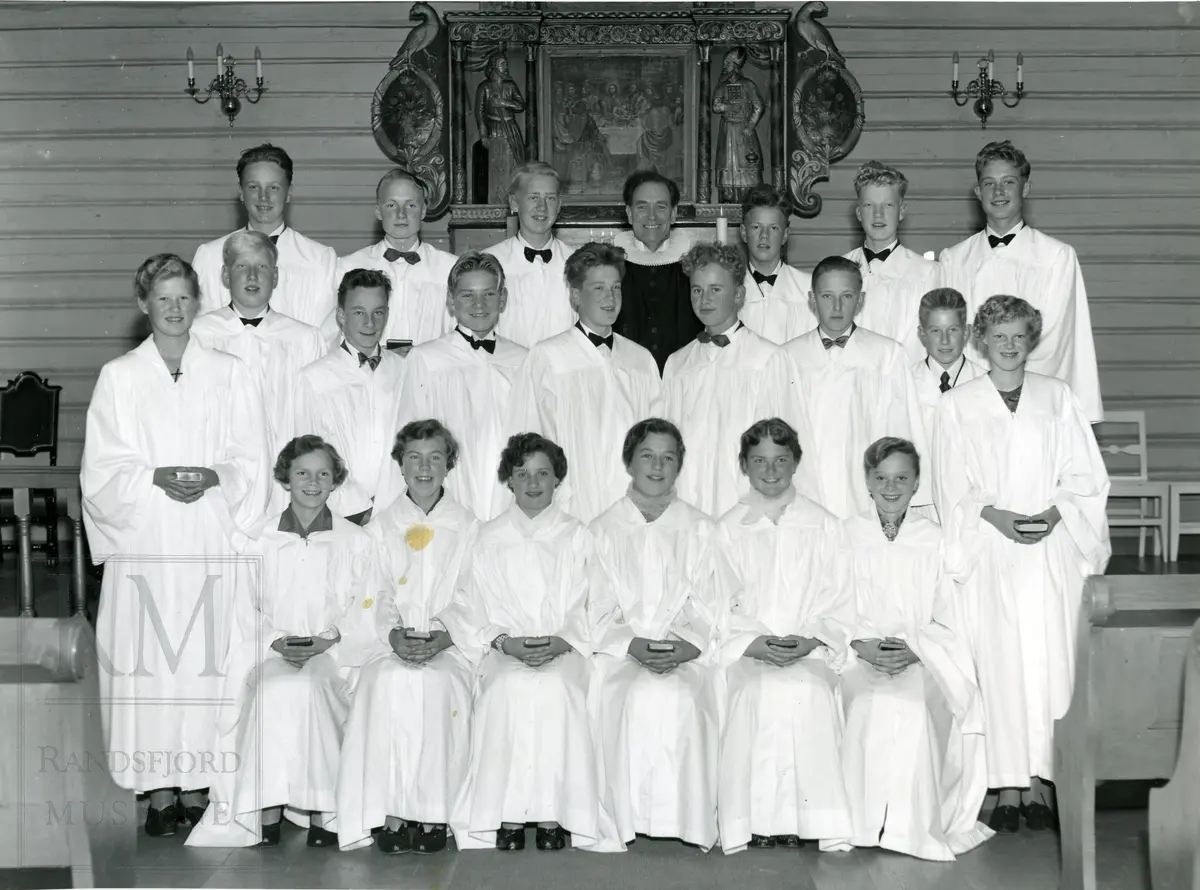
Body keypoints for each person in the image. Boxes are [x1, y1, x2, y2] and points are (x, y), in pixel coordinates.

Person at [80, 254, 270, 836]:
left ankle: (201, 784)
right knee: (153, 665)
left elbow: (251, 455)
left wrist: (217, 477)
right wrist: (152, 478)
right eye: (162, 299)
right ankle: (160, 792)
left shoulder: (230, 371)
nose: (174, 309)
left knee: (206, 660)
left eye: (184, 298)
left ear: (199, 301)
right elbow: (102, 468)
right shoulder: (120, 377)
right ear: (144, 305)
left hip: (210, 533)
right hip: (148, 539)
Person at [933, 295, 1110, 834]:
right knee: (1002, 665)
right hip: (992, 549)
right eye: (998, 336)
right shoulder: (958, 405)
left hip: (1050, 552)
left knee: (1048, 665)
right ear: (980, 341)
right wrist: (994, 516)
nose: (1008, 346)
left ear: (1031, 340)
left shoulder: (1058, 398)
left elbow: (1087, 478)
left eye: (1018, 336)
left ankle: (1043, 783)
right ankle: (1007, 786)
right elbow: (949, 484)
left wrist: (1058, 514)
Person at [187, 436, 385, 848]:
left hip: (332, 654)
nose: (312, 483)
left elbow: (364, 605)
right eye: (302, 473)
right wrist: (275, 640)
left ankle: (325, 809)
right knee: (275, 688)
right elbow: (244, 604)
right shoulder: (260, 538)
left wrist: (328, 639)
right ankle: (266, 804)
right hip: (269, 650)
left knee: (312, 687)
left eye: (323, 474)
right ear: (285, 478)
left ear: (335, 482)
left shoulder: (355, 540)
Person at [443, 433, 607, 852]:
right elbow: (467, 601)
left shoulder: (577, 535)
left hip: (563, 647)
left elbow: (593, 599)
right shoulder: (487, 536)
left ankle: (554, 815)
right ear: (509, 480)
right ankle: (508, 814)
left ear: (558, 480)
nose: (533, 483)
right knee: (505, 689)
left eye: (542, 473)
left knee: (558, 689)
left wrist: (562, 639)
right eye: (522, 474)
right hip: (506, 649)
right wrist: (501, 641)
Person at [839, 437, 993, 861]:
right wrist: (859, 643)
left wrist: (915, 650)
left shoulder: (935, 539)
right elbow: (831, 601)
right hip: (859, 653)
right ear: (867, 481)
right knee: (870, 702)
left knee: (910, 706)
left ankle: (910, 827)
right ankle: (862, 823)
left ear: (917, 482)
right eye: (882, 478)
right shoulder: (846, 535)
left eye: (902, 478)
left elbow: (949, 614)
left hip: (922, 655)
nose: (891, 488)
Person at [337, 420, 480, 855]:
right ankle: (392, 812)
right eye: (414, 457)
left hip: (447, 646)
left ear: (449, 464)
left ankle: (435, 813)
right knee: (387, 683)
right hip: (391, 646)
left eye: (435, 457)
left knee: (438, 685)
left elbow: (474, 591)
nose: (424, 466)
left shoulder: (469, 526)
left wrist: (444, 634)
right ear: (400, 464)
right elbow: (373, 593)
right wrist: (393, 633)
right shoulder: (380, 529)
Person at [714, 418, 854, 854]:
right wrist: (752, 642)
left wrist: (811, 639)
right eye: (759, 461)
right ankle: (756, 822)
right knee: (757, 692)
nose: (770, 471)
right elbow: (718, 601)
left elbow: (840, 596)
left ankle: (802, 819)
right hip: (748, 652)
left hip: (809, 653)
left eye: (780, 460)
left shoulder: (824, 524)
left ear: (796, 462)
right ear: (744, 465)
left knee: (806, 693)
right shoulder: (727, 527)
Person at [588, 419, 720, 852]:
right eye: (647, 455)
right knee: (629, 696)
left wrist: (686, 644)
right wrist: (631, 644)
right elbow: (595, 606)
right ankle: (625, 820)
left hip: (684, 652)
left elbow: (711, 600)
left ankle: (683, 820)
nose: (657, 466)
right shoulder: (603, 529)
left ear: (680, 464)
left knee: (679, 697)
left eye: (668, 457)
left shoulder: (700, 528)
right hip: (620, 652)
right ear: (629, 460)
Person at [938, 141, 1103, 422]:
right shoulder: (954, 260)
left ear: (1025, 188)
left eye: (1008, 182)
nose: (999, 192)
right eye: (989, 183)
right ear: (978, 193)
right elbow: (955, 335)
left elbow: (1057, 338)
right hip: (973, 403)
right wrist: (981, 389)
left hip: (1034, 404)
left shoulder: (1055, 257)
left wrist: (1013, 391)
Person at [509, 243, 660, 523]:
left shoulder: (640, 360)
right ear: (576, 296)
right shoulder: (548, 356)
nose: (610, 298)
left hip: (632, 511)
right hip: (571, 509)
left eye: (615, 288)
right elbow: (530, 439)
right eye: (599, 288)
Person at [658, 243, 800, 518]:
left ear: (738, 295)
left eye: (716, 289)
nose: (704, 299)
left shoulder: (767, 358)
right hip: (689, 505)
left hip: (746, 506)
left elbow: (784, 445)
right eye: (697, 290)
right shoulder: (678, 363)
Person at [191, 230, 326, 513]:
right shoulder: (199, 335)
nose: (252, 277)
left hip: (283, 481)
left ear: (275, 277)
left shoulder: (303, 338)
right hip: (221, 474)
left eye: (262, 267)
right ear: (225, 276)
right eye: (242, 267)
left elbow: (314, 418)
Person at [784, 255, 929, 519]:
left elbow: (901, 428)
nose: (837, 306)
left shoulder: (887, 355)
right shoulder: (789, 357)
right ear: (812, 299)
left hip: (864, 496)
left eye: (847, 296)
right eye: (827, 296)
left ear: (860, 301)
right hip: (805, 493)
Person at [396, 251, 526, 521]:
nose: (479, 304)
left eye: (489, 294)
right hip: (450, 497)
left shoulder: (523, 360)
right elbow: (410, 440)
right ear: (451, 301)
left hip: (508, 499)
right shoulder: (427, 359)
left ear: (502, 299)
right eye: (468, 294)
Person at [294, 269, 405, 524]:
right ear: (341, 316)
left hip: (398, 511)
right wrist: (357, 506)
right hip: (341, 513)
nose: (370, 323)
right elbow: (310, 456)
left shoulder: (405, 371)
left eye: (378, 312)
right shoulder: (314, 378)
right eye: (359, 312)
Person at [192, 144, 338, 337]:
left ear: (289, 192)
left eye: (274, 187)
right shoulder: (210, 257)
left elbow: (326, 337)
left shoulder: (320, 260)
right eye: (253, 187)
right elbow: (197, 331)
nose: (264, 197)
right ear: (241, 192)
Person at [336, 169, 457, 351]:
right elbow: (337, 335)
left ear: (423, 211)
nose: (401, 215)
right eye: (392, 205)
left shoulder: (450, 269)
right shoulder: (348, 266)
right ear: (378, 211)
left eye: (410, 205)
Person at [843, 161, 938, 364]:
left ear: (901, 211)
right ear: (859, 213)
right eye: (869, 205)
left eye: (888, 205)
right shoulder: (839, 270)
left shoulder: (927, 273)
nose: (878, 214)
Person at [613, 171, 699, 371]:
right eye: (642, 207)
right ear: (629, 213)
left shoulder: (695, 265)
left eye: (661, 206)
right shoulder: (609, 266)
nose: (652, 216)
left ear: (674, 213)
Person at [487, 162, 577, 348]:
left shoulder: (578, 262)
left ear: (559, 205)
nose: (542, 207)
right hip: (509, 372)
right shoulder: (489, 262)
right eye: (533, 197)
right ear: (514, 203)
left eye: (550, 198)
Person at [737, 183, 814, 344]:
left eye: (773, 228)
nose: (764, 236)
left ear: (785, 235)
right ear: (744, 233)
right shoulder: (730, 289)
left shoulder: (808, 288)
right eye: (756, 227)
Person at [912, 287, 985, 440]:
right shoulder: (906, 383)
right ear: (922, 334)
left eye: (952, 330)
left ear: (966, 333)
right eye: (935, 331)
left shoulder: (986, 383)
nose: (944, 340)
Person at [711, 48, 766, 204]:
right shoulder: (721, 86)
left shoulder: (748, 85)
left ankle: (749, 198)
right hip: (728, 129)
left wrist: (750, 125)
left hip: (743, 129)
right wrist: (728, 108)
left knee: (747, 163)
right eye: (725, 63)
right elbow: (716, 106)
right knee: (728, 164)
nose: (725, 66)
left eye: (728, 63)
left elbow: (758, 106)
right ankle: (729, 197)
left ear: (736, 65)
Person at [474, 52, 527, 205]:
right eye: (503, 64)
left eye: (506, 63)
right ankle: (497, 201)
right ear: (494, 66)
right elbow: (479, 112)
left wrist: (504, 103)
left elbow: (521, 106)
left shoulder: (510, 85)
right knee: (496, 165)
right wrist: (483, 134)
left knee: (514, 163)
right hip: (494, 129)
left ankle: (514, 201)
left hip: (510, 128)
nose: (506, 67)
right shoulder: (484, 87)